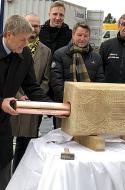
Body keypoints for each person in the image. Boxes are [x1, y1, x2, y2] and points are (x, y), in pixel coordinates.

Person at [0, 15, 68, 190]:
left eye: (27, 39)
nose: (25, 44)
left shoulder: (24, 56)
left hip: (2, 125)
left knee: (3, 169)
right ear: (8, 35)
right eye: (21, 40)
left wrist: (53, 108)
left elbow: (32, 88)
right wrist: (1, 102)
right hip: (2, 109)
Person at [10, 14, 52, 172]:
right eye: (30, 24)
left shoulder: (44, 51)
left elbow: (42, 81)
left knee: (25, 144)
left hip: (32, 103)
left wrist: (46, 104)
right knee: (7, 143)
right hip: (12, 101)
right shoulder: (14, 47)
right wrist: (19, 95)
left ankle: (19, 176)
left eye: (37, 25)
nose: (34, 28)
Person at [50, 22, 104, 127]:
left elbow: (100, 82)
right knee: (63, 139)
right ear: (73, 35)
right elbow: (56, 82)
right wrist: (70, 101)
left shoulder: (96, 57)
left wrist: (89, 101)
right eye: (79, 35)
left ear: (89, 37)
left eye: (85, 36)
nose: (82, 39)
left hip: (89, 107)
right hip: (65, 106)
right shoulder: (60, 54)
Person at [39, 0, 72, 127]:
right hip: (42, 81)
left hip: (59, 81)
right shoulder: (40, 32)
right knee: (33, 122)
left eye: (61, 15)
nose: (58, 18)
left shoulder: (69, 34)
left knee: (59, 125)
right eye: (55, 14)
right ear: (49, 14)